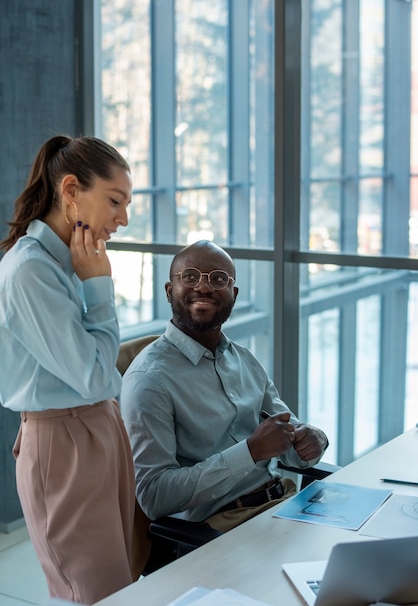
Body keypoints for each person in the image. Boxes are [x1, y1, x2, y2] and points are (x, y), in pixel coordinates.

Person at [0, 135, 136, 605]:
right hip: (63, 443)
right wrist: (100, 288)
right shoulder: (30, 271)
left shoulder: (73, 261)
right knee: (92, 594)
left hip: (101, 430)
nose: (123, 218)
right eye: (115, 201)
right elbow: (96, 375)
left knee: (119, 586)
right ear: (72, 189)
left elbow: (98, 374)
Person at [120, 240, 329, 535]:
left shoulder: (244, 359)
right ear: (170, 291)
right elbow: (153, 496)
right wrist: (251, 452)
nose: (204, 288)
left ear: (233, 294)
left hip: (282, 505)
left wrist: (313, 439)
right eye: (190, 276)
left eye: (218, 279)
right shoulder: (149, 379)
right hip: (219, 530)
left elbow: (291, 446)